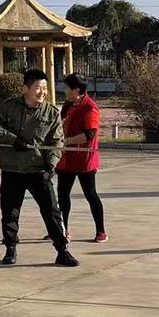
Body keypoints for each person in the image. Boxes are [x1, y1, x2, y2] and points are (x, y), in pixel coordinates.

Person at [0, 68, 77, 267]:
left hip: (39, 170)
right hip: (12, 169)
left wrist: (51, 164)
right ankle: (10, 249)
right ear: (25, 89)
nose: (43, 92)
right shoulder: (8, 107)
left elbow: (56, 142)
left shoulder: (51, 112)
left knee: (52, 212)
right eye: (38, 88)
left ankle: (62, 250)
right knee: (10, 212)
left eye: (45, 88)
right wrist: (12, 139)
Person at [58, 73, 108, 243]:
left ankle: (101, 231)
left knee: (90, 194)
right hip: (66, 159)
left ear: (77, 90)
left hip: (84, 160)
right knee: (62, 195)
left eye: (67, 87)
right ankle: (62, 229)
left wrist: (66, 141)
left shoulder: (90, 108)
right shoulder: (68, 105)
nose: (64, 90)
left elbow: (89, 135)